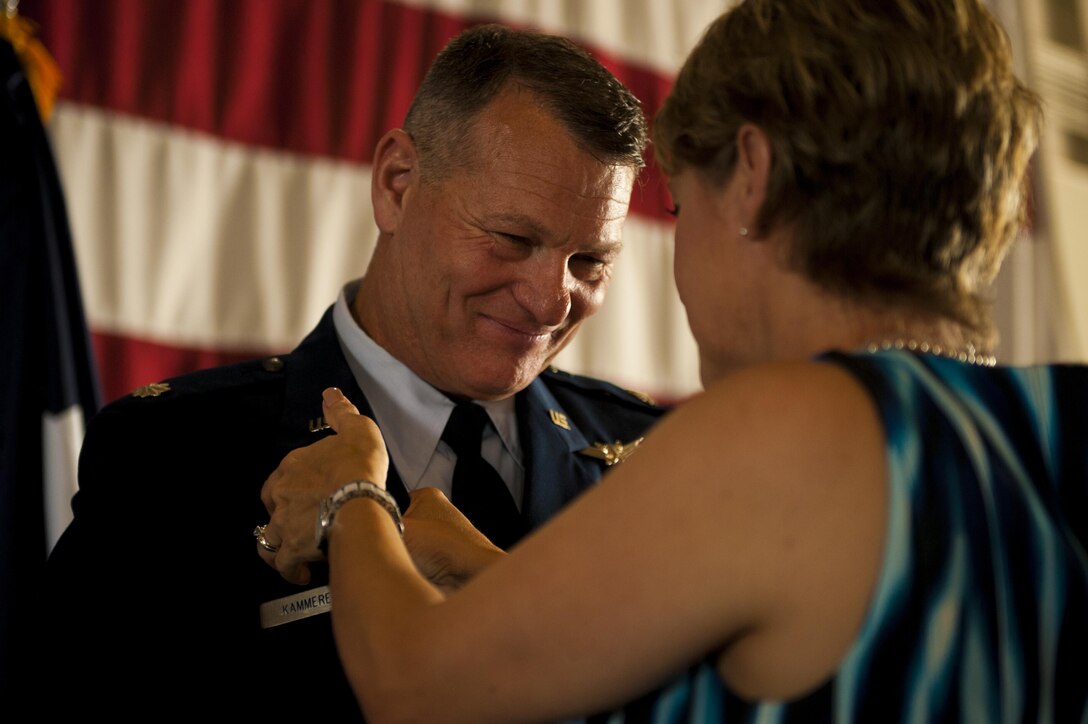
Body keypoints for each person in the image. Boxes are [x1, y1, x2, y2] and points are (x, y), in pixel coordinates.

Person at [258, 0, 1088, 721]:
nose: (552, 302)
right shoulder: (1054, 426)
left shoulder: (789, 423)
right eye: (512, 238)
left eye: (682, 206)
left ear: (753, 177)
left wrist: (354, 499)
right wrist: (491, 571)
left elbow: (414, 688)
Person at [37, 23, 667, 719]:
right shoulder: (174, 455)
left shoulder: (654, 461)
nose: (552, 300)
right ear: (397, 184)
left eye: (591, 262)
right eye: (513, 239)